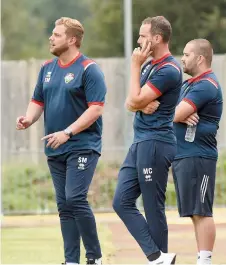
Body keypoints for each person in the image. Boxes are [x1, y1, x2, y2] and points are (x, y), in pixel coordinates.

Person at [16, 17, 107, 265]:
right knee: (64, 206)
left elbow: (96, 109)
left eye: (56, 35)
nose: (51, 38)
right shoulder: (47, 68)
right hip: (55, 148)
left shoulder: (89, 69)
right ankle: (71, 261)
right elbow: (38, 101)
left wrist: (68, 132)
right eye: (52, 34)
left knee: (75, 198)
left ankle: (94, 257)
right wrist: (28, 119)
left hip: (82, 146)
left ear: (72, 40)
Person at [113, 16, 182, 264]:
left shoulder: (168, 70)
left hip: (156, 142)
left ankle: (159, 258)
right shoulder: (149, 66)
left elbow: (136, 100)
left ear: (157, 38)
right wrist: (138, 102)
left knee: (153, 208)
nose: (139, 41)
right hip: (140, 141)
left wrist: (134, 67)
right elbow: (131, 101)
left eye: (143, 36)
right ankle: (157, 257)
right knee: (121, 201)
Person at [172, 39, 223, 264]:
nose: (182, 58)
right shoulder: (188, 84)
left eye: (186, 54)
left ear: (200, 58)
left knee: (202, 210)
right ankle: (201, 257)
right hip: (184, 155)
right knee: (195, 211)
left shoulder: (206, 84)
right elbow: (172, 110)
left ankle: (205, 260)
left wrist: (179, 111)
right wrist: (178, 111)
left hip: (199, 157)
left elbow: (173, 114)